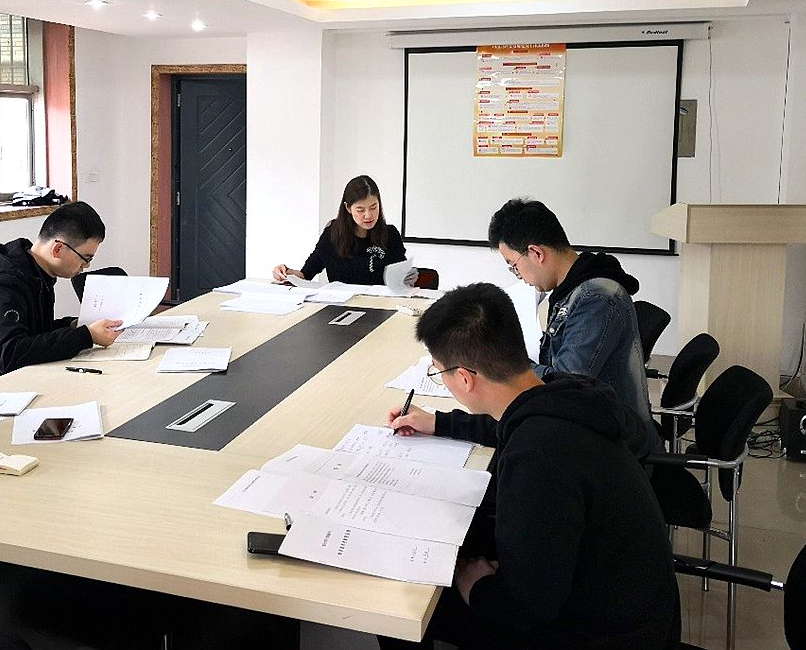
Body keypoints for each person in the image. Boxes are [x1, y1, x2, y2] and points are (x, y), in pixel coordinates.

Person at [381, 284, 679, 649]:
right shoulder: (563, 394)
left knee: (401, 602)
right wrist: (440, 422)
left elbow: (524, 610)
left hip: (603, 635)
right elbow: (508, 421)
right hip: (631, 606)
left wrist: (476, 585)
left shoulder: (537, 458)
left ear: (464, 378)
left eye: (438, 371)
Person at [392, 197, 656, 458]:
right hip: (585, 433)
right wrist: (439, 422)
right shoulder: (572, 290)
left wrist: (500, 363)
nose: (519, 277)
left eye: (514, 267)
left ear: (536, 253)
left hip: (614, 452)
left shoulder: (596, 299)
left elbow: (557, 391)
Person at [0, 201, 123, 391]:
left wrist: (72, 326)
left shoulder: (35, 273)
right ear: (58, 249)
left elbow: (32, 333)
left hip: (8, 383)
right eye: (86, 258)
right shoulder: (1, 285)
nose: (86, 266)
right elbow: (9, 354)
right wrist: (86, 336)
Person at [272, 175, 410, 286]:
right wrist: (286, 273)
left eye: (373, 207)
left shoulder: (390, 235)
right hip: (340, 306)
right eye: (360, 210)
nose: (368, 215)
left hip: (381, 305)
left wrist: (409, 278)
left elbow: (401, 278)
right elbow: (305, 274)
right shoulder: (332, 235)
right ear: (348, 208)